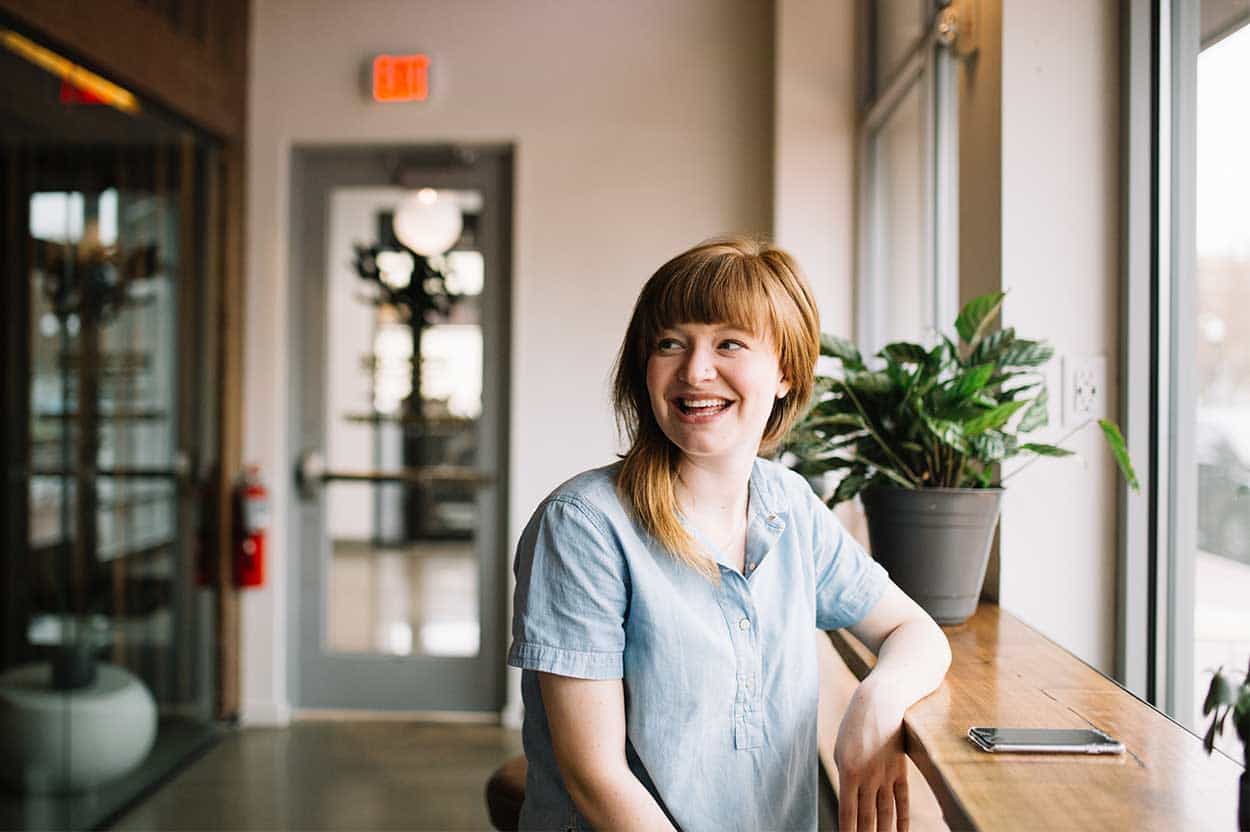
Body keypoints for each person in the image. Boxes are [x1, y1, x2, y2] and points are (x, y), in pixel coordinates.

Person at [507, 236, 951, 832]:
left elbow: (914, 630)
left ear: (786, 372)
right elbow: (596, 779)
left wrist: (877, 701)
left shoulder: (788, 504)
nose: (695, 371)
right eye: (670, 343)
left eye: (729, 344)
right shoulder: (583, 524)